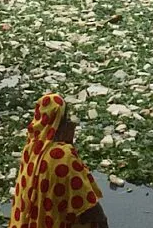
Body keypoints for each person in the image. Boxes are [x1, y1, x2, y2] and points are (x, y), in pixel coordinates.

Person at [9, 93, 109, 228]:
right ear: (60, 120)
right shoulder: (62, 155)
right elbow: (86, 206)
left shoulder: (31, 148)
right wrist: (103, 221)